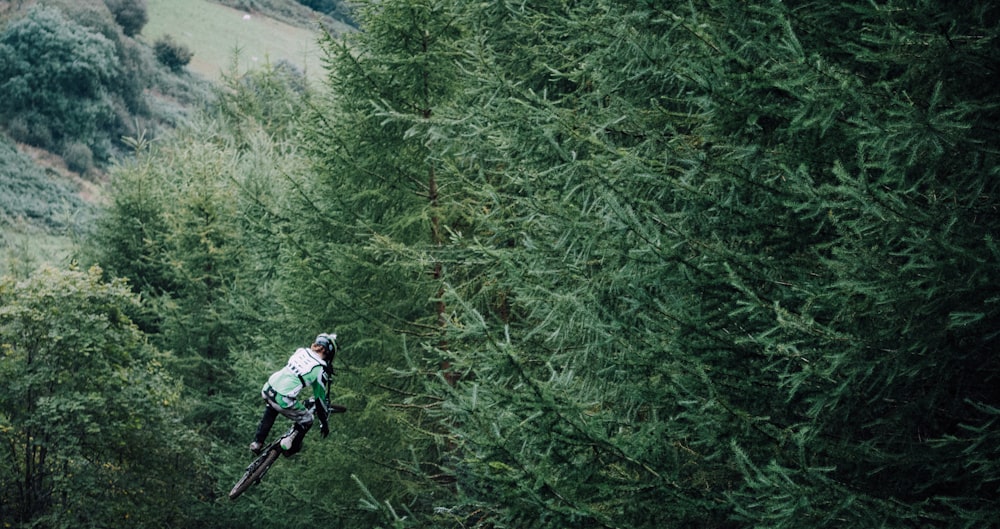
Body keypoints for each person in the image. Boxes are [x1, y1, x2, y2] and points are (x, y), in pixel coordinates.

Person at [249, 333, 337, 455]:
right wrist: (324, 423)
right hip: (283, 398)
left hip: (268, 388)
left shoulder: (300, 351)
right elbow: (320, 399)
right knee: (307, 419)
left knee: (272, 407)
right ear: (329, 353)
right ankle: (290, 448)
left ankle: (257, 442)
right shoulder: (320, 369)